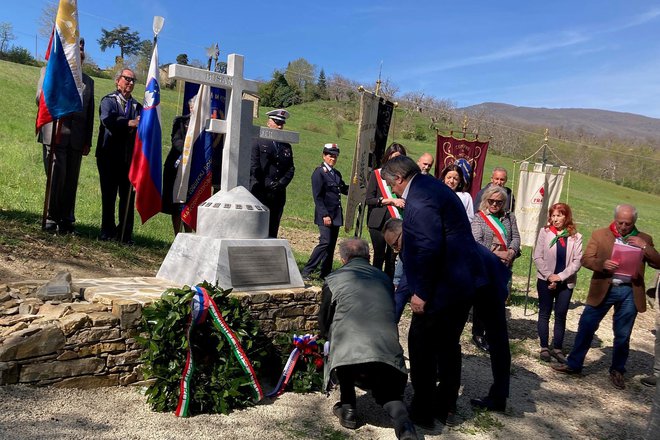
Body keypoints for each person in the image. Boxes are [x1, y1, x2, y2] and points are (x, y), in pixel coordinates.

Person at [381, 155, 486, 428]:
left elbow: (428, 246)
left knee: (421, 347)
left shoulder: (420, 198)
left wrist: (422, 293)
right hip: (462, 281)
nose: (392, 191)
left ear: (400, 178)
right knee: (448, 345)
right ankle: (446, 407)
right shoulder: (433, 187)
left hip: (443, 286)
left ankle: (423, 411)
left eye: (392, 185)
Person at [553, 204, 660, 390]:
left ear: (634, 222)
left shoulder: (644, 238)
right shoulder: (600, 234)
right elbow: (586, 259)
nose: (624, 227)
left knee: (622, 334)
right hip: (603, 288)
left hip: (629, 291)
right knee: (586, 325)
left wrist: (644, 247)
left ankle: (617, 370)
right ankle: (574, 364)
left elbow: (658, 263)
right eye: (621, 223)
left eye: (628, 223)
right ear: (615, 219)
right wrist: (603, 264)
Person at [318, 238, 417, 440]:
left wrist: (326, 338)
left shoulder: (333, 279)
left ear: (343, 259)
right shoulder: (385, 279)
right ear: (369, 257)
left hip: (351, 359)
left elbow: (325, 319)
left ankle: (348, 409)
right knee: (389, 396)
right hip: (387, 354)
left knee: (345, 347)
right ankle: (405, 426)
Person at [36, 38, 95, 235]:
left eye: (82, 48)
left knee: (71, 180)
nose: (79, 51)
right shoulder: (50, 71)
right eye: (75, 47)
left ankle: (67, 220)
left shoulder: (88, 81)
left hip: (77, 139)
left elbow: (90, 113)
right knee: (56, 177)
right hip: (55, 133)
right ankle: (51, 217)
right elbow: (39, 98)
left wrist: (87, 140)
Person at [471, 186, 521, 352]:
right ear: (486, 200)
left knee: (498, 300)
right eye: (491, 201)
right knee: (482, 301)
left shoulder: (509, 217)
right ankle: (478, 333)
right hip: (485, 265)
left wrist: (511, 252)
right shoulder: (479, 218)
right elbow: (476, 242)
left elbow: (515, 237)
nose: (494, 204)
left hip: (504, 266)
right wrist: (497, 253)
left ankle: (492, 333)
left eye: (499, 202)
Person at [96, 68, 142, 243]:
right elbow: (107, 120)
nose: (130, 82)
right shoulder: (108, 101)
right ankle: (106, 231)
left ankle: (124, 234)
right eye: (127, 79)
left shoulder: (138, 106)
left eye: (133, 80)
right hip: (108, 157)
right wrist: (130, 123)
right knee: (108, 196)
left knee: (127, 198)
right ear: (118, 81)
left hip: (128, 159)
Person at [533, 203, 583, 363]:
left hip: (565, 281)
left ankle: (557, 348)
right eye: (553, 215)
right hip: (545, 279)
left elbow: (577, 261)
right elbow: (537, 256)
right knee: (544, 312)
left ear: (566, 216)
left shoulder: (576, 237)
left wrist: (560, 277)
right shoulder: (545, 232)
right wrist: (549, 276)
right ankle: (544, 347)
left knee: (561, 315)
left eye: (559, 215)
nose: (555, 219)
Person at [301, 144, 349, 280]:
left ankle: (325, 273)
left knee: (331, 245)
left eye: (335, 156)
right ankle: (307, 271)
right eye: (330, 155)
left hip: (336, 215)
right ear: (324, 156)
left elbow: (343, 189)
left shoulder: (336, 173)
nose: (333, 158)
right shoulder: (319, 172)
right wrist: (324, 215)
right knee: (325, 242)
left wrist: (358, 188)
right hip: (325, 215)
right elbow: (317, 196)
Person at [249, 109, 295, 238]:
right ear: (269, 122)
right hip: (260, 190)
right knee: (256, 228)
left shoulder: (286, 145)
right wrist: (267, 183)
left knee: (273, 228)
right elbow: (254, 165)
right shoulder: (257, 141)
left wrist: (281, 183)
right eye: (276, 122)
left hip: (278, 193)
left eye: (281, 123)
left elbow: (290, 168)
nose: (279, 126)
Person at [364, 143, 407, 278]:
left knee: (391, 258)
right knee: (379, 256)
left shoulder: (404, 178)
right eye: (393, 157)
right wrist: (390, 201)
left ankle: (388, 286)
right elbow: (369, 199)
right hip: (378, 222)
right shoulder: (376, 174)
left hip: (396, 222)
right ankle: (374, 284)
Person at [162, 97, 194, 236]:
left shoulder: (208, 124)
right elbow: (177, 141)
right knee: (176, 205)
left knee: (191, 204)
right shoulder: (180, 121)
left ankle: (188, 237)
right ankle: (178, 237)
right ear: (190, 107)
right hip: (177, 168)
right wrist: (190, 153)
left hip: (195, 170)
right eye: (195, 107)